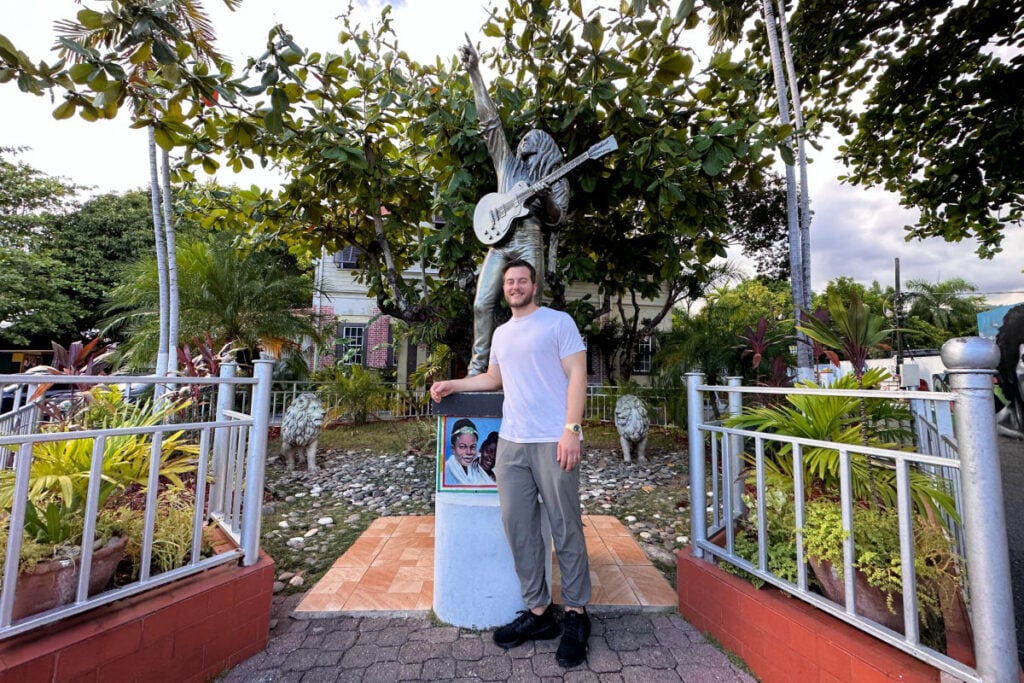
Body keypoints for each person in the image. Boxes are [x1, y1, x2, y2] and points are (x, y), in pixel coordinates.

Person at [430, 258, 591, 668]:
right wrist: (453, 384)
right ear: (504, 290)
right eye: (509, 282)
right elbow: (492, 378)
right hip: (513, 444)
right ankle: (540, 612)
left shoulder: (558, 323)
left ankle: (576, 613)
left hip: (553, 440)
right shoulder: (502, 333)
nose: (515, 286)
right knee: (519, 528)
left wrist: (571, 429)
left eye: (521, 281)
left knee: (565, 525)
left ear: (534, 286)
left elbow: (578, 375)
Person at [459, 36, 570, 376]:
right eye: (521, 140)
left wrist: (545, 196)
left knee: (530, 306)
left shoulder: (556, 177)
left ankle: (525, 368)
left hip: (530, 237)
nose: (522, 142)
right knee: (482, 303)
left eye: (529, 140)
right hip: (499, 241)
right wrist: (475, 74)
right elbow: (490, 124)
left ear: (544, 146)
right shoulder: (508, 165)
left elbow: (557, 219)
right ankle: (478, 369)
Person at [444, 418, 493, 485]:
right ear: (453, 449)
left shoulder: (477, 469)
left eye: (473, 447)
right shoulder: (446, 471)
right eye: (462, 447)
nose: (468, 452)